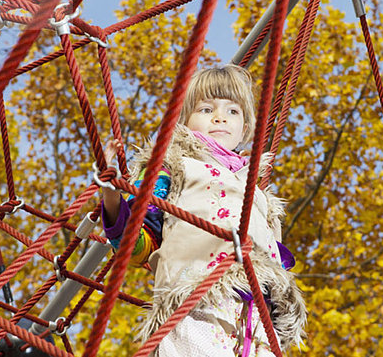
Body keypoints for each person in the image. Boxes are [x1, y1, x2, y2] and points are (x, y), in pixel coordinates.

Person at [100, 65, 307, 356]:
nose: (220, 117)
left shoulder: (258, 196)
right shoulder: (174, 166)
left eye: (233, 111)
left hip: (255, 315)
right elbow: (135, 243)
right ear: (184, 122)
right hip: (196, 302)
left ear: (245, 129)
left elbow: (277, 260)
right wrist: (110, 195)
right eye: (206, 109)